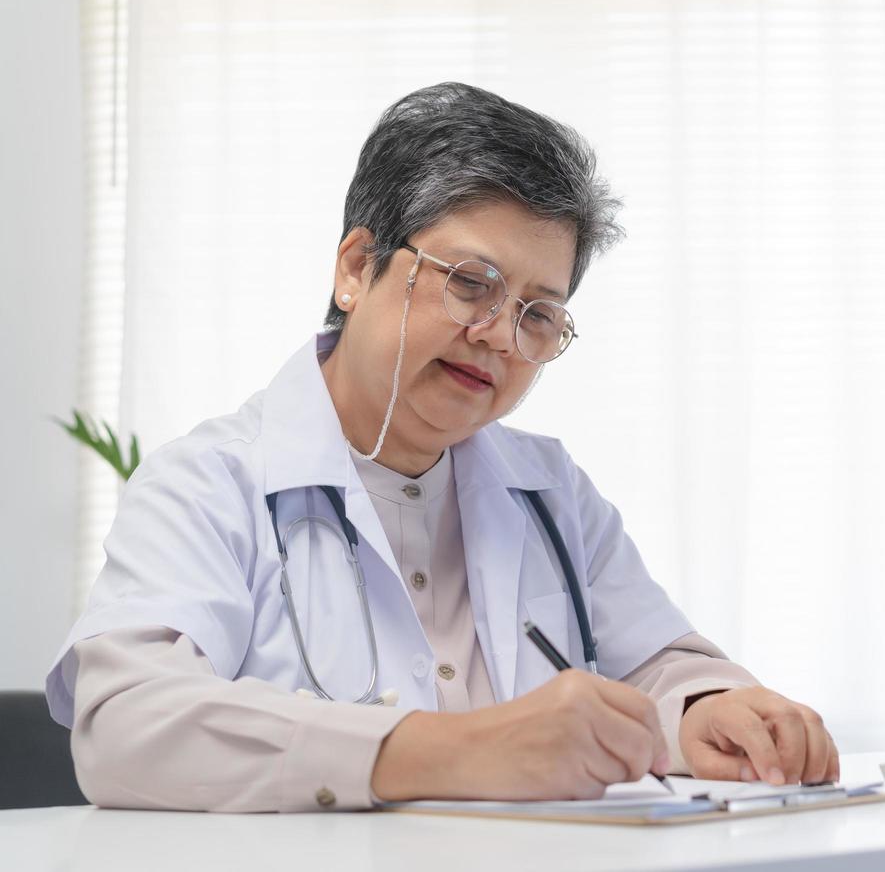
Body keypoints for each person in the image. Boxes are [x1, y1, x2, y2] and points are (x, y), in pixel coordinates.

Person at [46, 82, 838, 812]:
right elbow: (126, 725)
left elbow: (654, 668)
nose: (498, 336)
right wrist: (449, 751)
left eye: (538, 314)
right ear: (358, 268)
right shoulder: (209, 485)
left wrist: (707, 710)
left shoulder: (550, 491)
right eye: (470, 281)